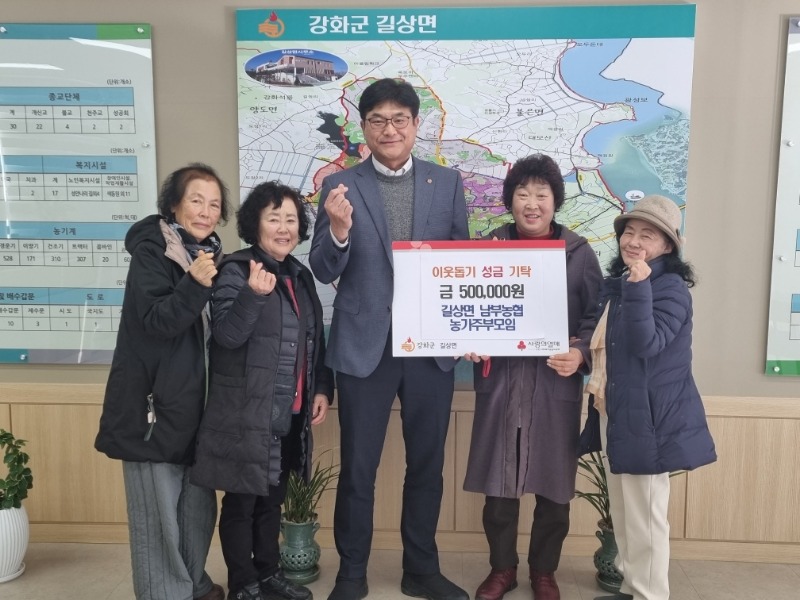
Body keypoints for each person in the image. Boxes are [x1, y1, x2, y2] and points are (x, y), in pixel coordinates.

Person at [309, 78, 469, 600]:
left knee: (426, 467)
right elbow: (322, 267)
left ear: (417, 125)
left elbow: (461, 264)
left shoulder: (447, 183)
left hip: (431, 349)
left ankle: (420, 570)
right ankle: (351, 573)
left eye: (400, 119)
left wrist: (464, 328)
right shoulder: (340, 186)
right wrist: (337, 230)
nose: (390, 129)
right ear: (363, 127)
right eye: (378, 120)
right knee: (359, 469)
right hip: (365, 347)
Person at [461, 154, 603, 600]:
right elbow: (466, 306)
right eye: (522, 194)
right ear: (510, 201)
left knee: (554, 488)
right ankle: (502, 569)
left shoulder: (579, 254)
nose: (532, 203)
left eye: (542, 194)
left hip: (554, 385)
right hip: (501, 383)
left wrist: (580, 353)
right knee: (499, 488)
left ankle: (544, 572)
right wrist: (467, 337)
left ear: (555, 201)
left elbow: (597, 318)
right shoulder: (487, 250)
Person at [191, 181, 334, 600]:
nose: (284, 228)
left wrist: (321, 388)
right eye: (274, 219)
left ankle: (269, 574)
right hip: (245, 412)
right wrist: (253, 295)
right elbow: (227, 337)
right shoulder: (235, 270)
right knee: (241, 504)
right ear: (256, 224)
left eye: (291, 219)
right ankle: (243, 582)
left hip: (289, 412)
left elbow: (314, 342)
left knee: (272, 499)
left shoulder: (300, 276)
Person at [95, 163, 231, 600]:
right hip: (152, 408)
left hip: (195, 408)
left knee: (195, 508)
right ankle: (165, 593)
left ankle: (193, 583)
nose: (206, 211)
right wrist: (193, 285)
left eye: (214, 204)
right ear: (173, 205)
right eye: (196, 200)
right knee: (158, 517)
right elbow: (155, 321)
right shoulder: (153, 252)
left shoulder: (208, 255)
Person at [578, 194, 717, 600]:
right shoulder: (622, 285)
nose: (634, 241)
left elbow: (646, 344)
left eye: (647, 235)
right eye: (629, 232)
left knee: (647, 517)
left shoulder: (669, 289)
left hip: (650, 419)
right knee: (625, 512)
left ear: (668, 245)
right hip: (618, 410)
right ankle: (631, 585)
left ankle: (650, 594)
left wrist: (638, 287)